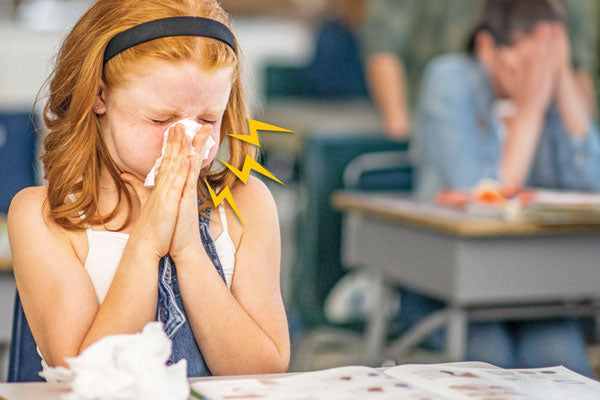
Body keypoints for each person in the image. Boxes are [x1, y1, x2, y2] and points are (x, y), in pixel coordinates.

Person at [7, 0, 290, 377]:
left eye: (208, 118)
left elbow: (264, 369)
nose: (187, 139)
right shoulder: (44, 217)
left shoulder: (247, 204)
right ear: (99, 96)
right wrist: (146, 246)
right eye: (161, 119)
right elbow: (85, 372)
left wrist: (189, 251)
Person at [411, 0, 598, 375]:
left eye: (544, 64)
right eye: (526, 61)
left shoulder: (549, 86)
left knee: (561, 358)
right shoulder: (449, 80)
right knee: (491, 360)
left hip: (529, 288)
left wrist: (562, 83)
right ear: (486, 47)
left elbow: (591, 186)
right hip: (442, 281)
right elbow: (480, 202)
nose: (535, 74)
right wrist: (529, 112)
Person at [360, 0, 597, 139]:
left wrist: (576, 130)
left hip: (537, 127)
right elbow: (383, 48)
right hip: (441, 123)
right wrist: (400, 134)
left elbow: (577, 64)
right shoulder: (449, 78)